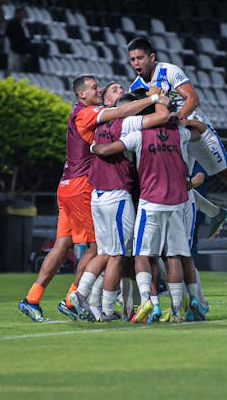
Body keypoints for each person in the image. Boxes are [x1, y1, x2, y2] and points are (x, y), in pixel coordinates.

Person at [17, 75, 166, 323]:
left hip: (66, 185)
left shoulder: (81, 112)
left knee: (63, 246)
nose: (99, 90)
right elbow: (123, 111)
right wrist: (153, 98)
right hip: (83, 186)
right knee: (100, 248)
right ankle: (73, 299)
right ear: (81, 94)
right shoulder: (86, 113)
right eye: (95, 87)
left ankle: (32, 298)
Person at [127, 37, 227, 241]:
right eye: (132, 59)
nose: (136, 63)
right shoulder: (136, 88)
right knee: (179, 184)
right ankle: (215, 213)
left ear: (152, 57)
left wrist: (180, 117)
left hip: (195, 127)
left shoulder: (169, 71)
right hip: (175, 136)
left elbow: (192, 98)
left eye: (140, 58)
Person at [91, 104, 208, 323]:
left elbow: (107, 150)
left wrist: (92, 147)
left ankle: (147, 301)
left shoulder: (139, 135)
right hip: (177, 203)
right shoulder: (180, 134)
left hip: (151, 202)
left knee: (142, 255)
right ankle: (176, 310)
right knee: (175, 256)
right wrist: (183, 121)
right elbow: (200, 131)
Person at [68, 89, 172, 321]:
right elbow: (161, 118)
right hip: (116, 195)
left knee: (105, 253)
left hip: (98, 195)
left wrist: (94, 148)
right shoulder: (126, 124)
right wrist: (158, 99)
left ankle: (82, 295)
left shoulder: (99, 125)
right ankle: (102, 307)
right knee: (118, 255)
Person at [4, 6, 48, 71]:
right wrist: (28, 41)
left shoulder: (24, 23)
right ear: (17, 14)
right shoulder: (13, 23)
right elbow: (17, 38)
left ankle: (42, 62)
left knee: (44, 45)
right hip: (18, 45)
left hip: (25, 43)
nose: (23, 15)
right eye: (21, 13)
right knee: (35, 47)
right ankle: (35, 69)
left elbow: (28, 35)